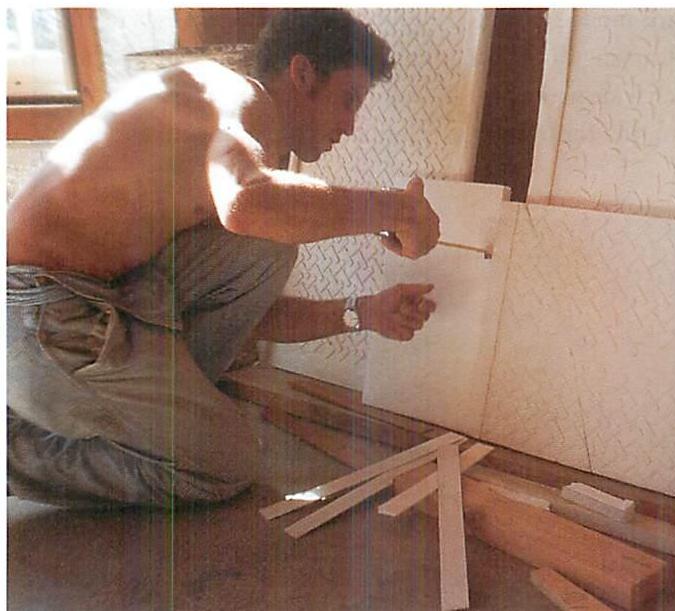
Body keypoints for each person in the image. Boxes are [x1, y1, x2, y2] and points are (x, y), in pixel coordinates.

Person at [6, 9, 440, 508]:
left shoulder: (214, 147)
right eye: (348, 100)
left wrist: (363, 312)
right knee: (223, 464)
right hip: (41, 319)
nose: (350, 126)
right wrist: (393, 208)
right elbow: (248, 202)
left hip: (66, 312)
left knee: (269, 243)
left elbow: (245, 310)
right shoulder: (230, 95)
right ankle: (14, 450)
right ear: (302, 74)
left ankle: (97, 415)